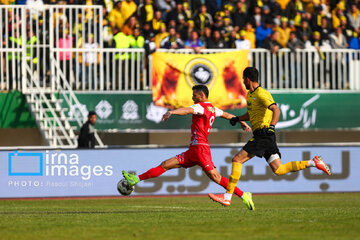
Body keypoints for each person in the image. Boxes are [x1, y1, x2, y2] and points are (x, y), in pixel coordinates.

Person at [208, 67, 332, 207]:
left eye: (244, 79)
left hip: (264, 134)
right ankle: (313, 162)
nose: (243, 82)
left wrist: (272, 127)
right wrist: (237, 119)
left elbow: (276, 109)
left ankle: (227, 196)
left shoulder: (262, 94)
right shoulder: (250, 95)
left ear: (248, 79)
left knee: (237, 159)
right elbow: (251, 114)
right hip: (263, 135)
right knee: (278, 169)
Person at [122, 85, 255, 210]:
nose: (193, 98)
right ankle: (136, 179)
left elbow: (186, 110)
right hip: (193, 150)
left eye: (194, 95)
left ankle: (243, 195)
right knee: (166, 164)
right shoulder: (213, 109)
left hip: (201, 149)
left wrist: (172, 112)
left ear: (202, 95)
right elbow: (227, 115)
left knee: (216, 177)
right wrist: (241, 122)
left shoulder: (201, 107)